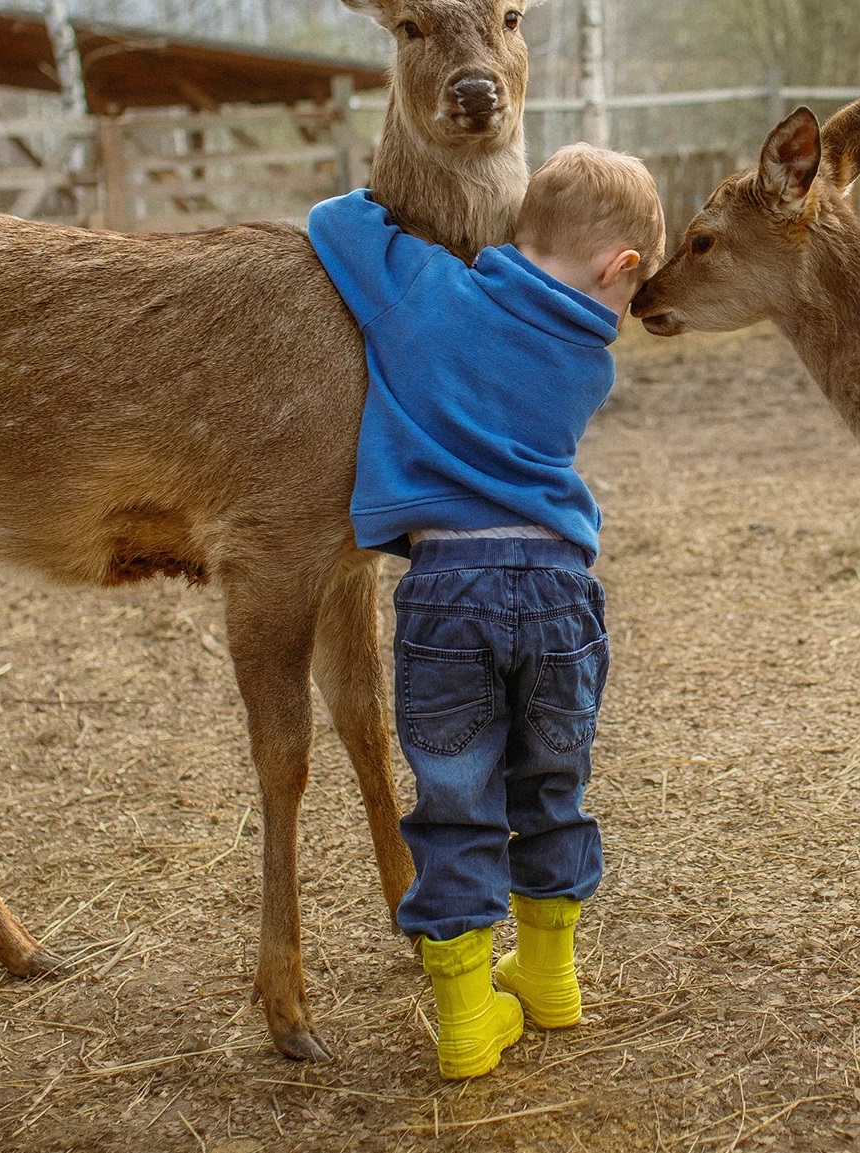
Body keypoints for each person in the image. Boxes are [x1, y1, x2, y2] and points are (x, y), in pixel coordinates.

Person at [308, 144, 666, 1079]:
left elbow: (335, 221)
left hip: (445, 590)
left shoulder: (427, 298)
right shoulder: (588, 359)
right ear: (617, 270)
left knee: (455, 801)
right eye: (635, 290)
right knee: (551, 786)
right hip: (557, 588)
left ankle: (468, 1019)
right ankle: (551, 977)